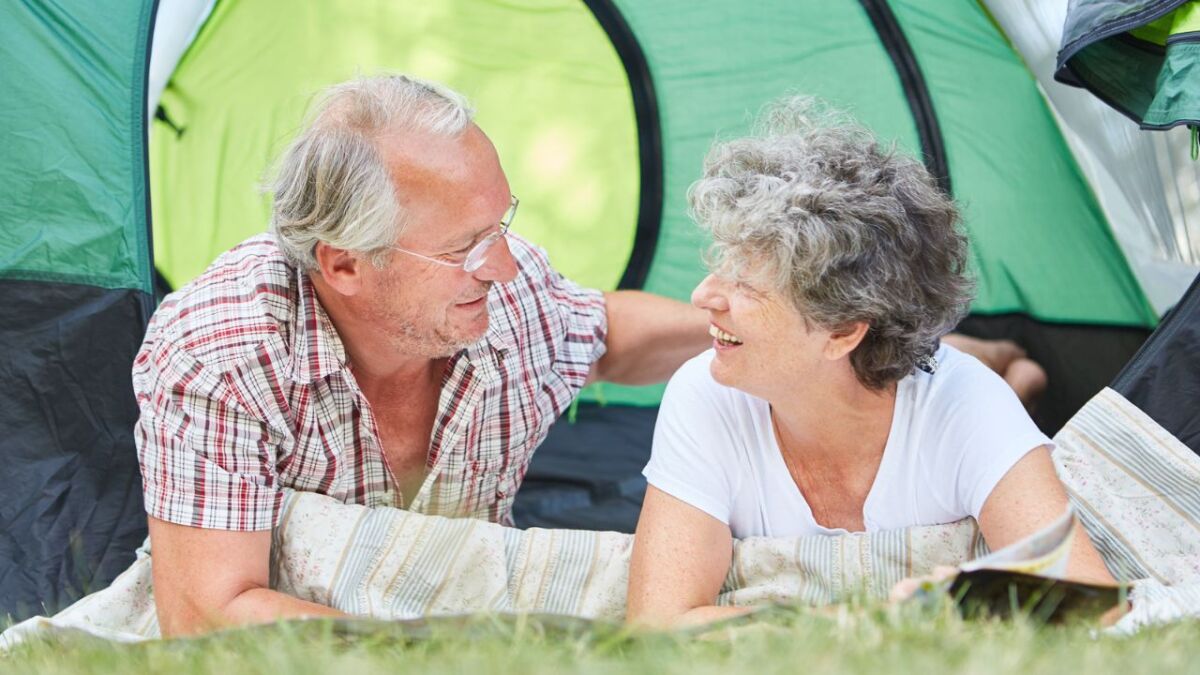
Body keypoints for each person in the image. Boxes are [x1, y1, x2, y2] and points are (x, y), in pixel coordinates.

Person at [133, 74, 711, 636]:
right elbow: (204, 619)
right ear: (344, 265)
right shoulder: (220, 356)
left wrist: (740, 328)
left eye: (500, 224)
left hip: (470, 614)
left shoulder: (507, 297)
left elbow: (604, 336)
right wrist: (455, 653)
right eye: (464, 247)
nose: (504, 268)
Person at [625, 99, 1113, 627]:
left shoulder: (965, 403)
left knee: (976, 395)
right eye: (719, 267)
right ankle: (1009, 366)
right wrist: (867, 622)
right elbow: (656, 624)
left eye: (744, 283)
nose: (702, 295)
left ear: (841, 331)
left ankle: (1014, 374)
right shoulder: (705, 393)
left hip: (965, 398)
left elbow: (1089, 604)